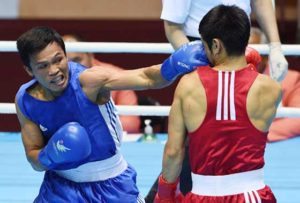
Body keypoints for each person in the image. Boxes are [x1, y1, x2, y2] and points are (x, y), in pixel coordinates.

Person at [14, 26, 209, 202]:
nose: (54, 70)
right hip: (61, 186)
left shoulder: (89, 81)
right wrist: (51, 154)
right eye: (43, 66)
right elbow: (34, 158)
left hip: (110, 185)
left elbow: (147, 78)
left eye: (59, 60)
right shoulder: (25, 100)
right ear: (28, 70)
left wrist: (173, 65)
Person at [155, 5, 281, 202]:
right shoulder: (271, 89)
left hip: (203, 195)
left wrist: (164, 194)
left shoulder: (188, 85)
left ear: (215, 45)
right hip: (254, 196)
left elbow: (173, 152)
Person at [160, 0, 288, 82]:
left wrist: (275, 46)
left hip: (240, 47)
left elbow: (261, 2)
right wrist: (194, 60)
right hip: (201, 47)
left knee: (242, 117)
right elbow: (172, 27)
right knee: (199, 117)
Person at [62, 34, 141, 133]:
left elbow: (131, 123)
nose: (72, 67)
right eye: (65, 62)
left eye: (77, 60)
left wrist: (88, 125)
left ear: (90, 56)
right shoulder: (52, 80)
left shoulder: (115, 76)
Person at [249, 27, 300, 142]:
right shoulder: (226, 79)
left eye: (251, 52)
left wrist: (253, 134)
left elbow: (298, 119)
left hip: (277, 149)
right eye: (240, 52)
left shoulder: (292, 79)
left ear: (266, 57)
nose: (245, 58)